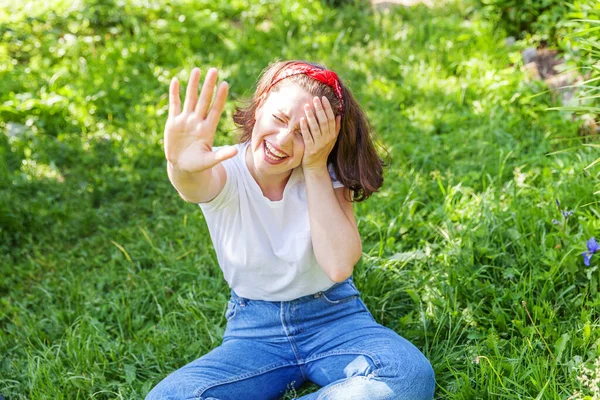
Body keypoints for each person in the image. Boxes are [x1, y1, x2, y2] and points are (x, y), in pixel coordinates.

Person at [146, 60, 435, 400]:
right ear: (261, 104)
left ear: (323, 139)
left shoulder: (327, 177)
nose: (283, 140)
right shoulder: (226, 172)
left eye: (304, 133)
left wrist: (314, 165)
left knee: (408, 377)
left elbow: (339, 265)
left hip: (335, 318)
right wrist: (179, 166)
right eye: (280, 119)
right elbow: (194, 185)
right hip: (255, 331)